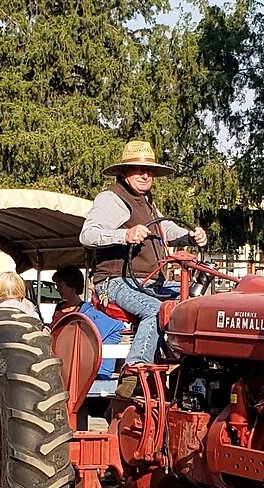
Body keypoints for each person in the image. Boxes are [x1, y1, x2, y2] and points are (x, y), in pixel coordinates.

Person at [79, 140, 208, 396]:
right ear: (125, 172)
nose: (146, 175)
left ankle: (193, 367)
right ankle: (133, 374)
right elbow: (88, 234)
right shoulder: (113, 199)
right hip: (116, 280)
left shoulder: (146, 202)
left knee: (200, 304)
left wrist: (189, 236)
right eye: (139, 170)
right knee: (156, 310)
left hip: (149, 281)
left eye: (149, 171)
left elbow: (163, 229)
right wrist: (124, 235)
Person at [52, 266, 124, 380]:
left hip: (87, 369)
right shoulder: (61, 308)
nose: (58, 289)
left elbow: (87, 339)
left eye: (61, 286)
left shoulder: (95, 313)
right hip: (65, 362)